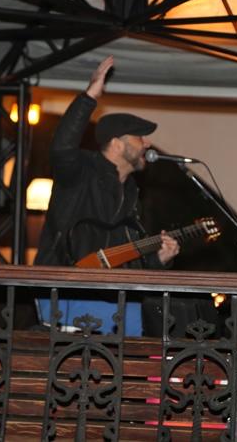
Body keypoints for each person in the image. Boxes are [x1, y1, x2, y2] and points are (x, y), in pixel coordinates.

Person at [33, 55, 180, 335]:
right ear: (116, 144)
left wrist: (159, 260)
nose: (147, 143)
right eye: (140, 137)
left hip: (117, 296)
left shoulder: (131, 191)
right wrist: (89, 97)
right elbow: (61, 148)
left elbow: (127, 257)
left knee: (138, 354)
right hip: (72, 289)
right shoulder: (81, 170)